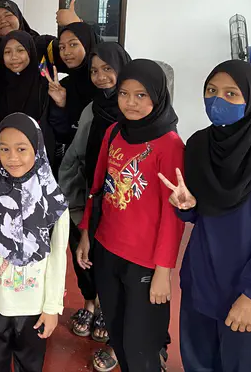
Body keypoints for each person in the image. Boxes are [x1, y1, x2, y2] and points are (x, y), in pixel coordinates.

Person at [160, 60, 251, 371]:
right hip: (200, 282)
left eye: (231, 94)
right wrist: (187, 206)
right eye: (211, 91)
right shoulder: (200, 145)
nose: (217, 100)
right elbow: (202, 215)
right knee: (197, 363)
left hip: (245, 289)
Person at [76, 59, 185, 372]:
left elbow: (173, 215)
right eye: (125, 93)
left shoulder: (171, 145)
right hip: (108, 248)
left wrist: (163, 271)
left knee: (141, 343)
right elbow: (97, 188)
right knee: (118, 332)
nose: (131, 102)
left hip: (145, 260)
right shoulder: (114, 132)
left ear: (158, 96)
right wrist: (86, 233)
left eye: (141, 95)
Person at [0, 113, 70, 372]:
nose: (12, 158)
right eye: (5, 149)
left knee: (29, 365)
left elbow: (57, 258)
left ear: (37, 149)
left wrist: (52, 308)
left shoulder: (53, 202)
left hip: (32, 305)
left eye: (21, 149)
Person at [58, 43, 131, 348]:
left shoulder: (135, 109)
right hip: (88, 193)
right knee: (83, 254)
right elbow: (75, 152)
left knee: (110, 257)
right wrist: (64, 193)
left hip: (122, 198)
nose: (100, 77)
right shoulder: (93, 108)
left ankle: (105, 307)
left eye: (107, 69)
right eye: (94, 71)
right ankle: (89, 302)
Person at [0, 30, 57, 162]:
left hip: (37, 155)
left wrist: (60, 103)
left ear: (30, 52)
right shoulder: (2, 83)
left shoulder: (45, 86)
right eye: (7, 52)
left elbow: (57, 126)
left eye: (20, 50)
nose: (14, 57)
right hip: (6, 155)